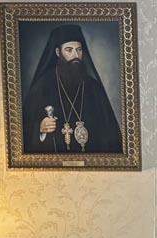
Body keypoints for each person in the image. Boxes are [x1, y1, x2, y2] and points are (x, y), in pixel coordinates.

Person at [22, 24, 122, 153]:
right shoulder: (42, 86)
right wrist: (40, 128)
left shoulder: (94, 87)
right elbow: (23, 131)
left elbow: (110, 133)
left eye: (79, 50)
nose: (76, 55)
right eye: (69, 50)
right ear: (58, 52)